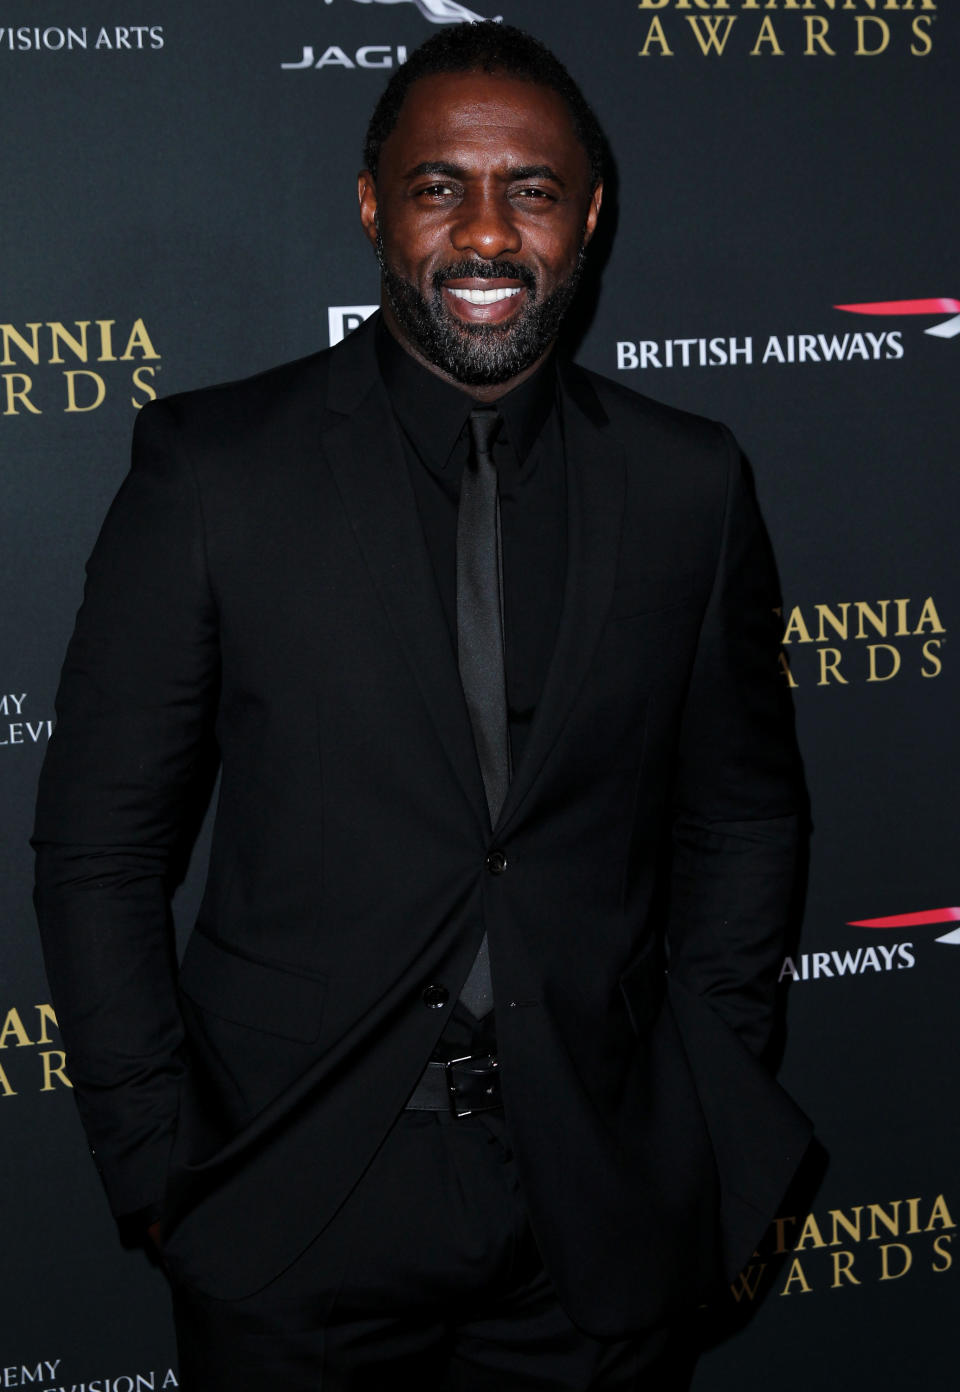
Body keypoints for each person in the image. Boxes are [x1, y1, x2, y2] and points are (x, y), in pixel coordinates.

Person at [34, 21, 811, 1391]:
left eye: (535, 188)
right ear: (372, 205)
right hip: (291, 1201)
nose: (489, 233)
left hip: (598, 1203)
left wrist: (705, 1099)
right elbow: (99, 847)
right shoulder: (214, 471)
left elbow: (743, 819)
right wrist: (153, 1157)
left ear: (591, 214)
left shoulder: (689, 485)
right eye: (441, 184)